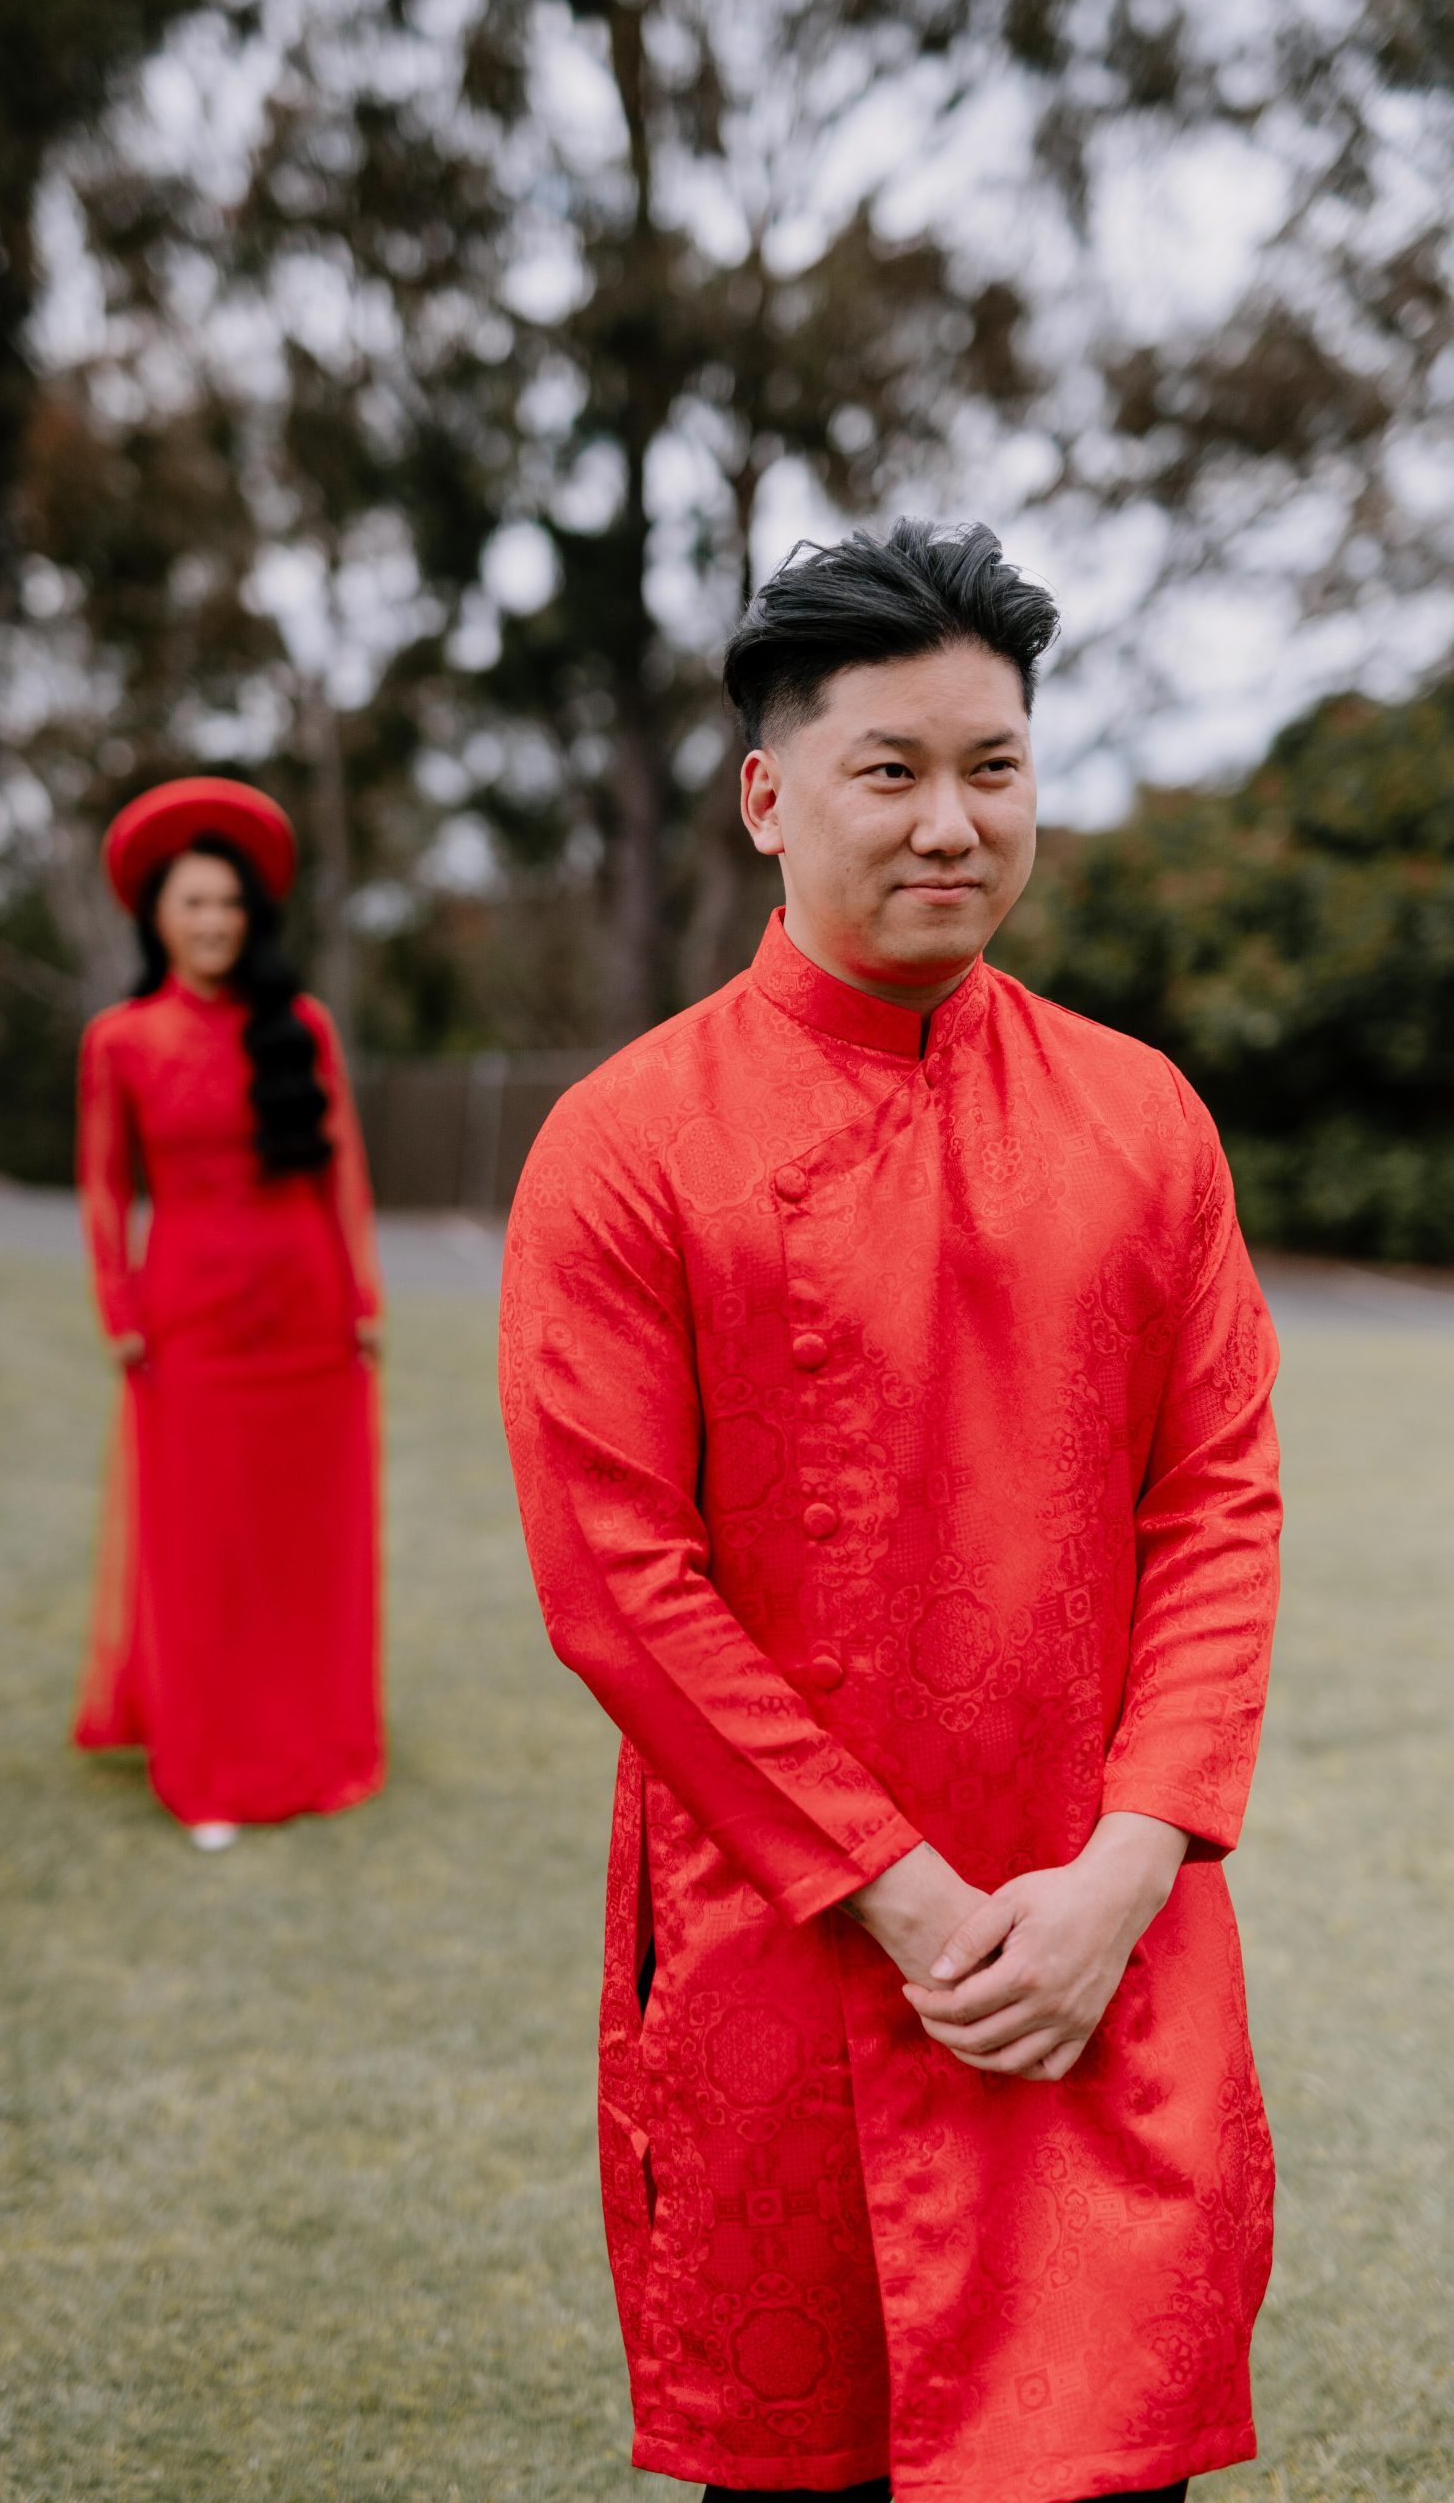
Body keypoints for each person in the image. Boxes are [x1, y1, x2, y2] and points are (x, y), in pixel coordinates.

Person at [499, 523, 1280, 2503]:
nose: (950, 822)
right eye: (890, 769)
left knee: (1110, 2466)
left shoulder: (1143, 1119)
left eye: (991, 766)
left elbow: (1213, 1506)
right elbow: (615, 1584)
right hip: (786, 1954)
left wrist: (1119, 1873)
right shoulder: (626, 1142)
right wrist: (907, 1899)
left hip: (1103, 1936)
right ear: (767, 796)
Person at [73, 776, 384, 1847]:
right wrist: (117, 1304)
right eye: (193, 903)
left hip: (307, 1317)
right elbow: (103, 1186)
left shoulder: (300, 1025)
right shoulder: (120, 1039)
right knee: (204, 1547)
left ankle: (317, 1747)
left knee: (304, 1543)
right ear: (155, 916)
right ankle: (210, 1767)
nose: (214, 921)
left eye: (229, 903)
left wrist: (363, 1292)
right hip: (190, 1319)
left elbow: (341, 1166)